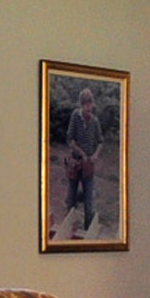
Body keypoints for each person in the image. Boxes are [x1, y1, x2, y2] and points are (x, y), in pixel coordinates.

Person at [64, 87, 103, 234]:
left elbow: (100, 141)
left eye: (90, 104)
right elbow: (70, 139)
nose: (88, 107)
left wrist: (95, 155)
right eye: (85, 104)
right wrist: (81, 153)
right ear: (82, 105)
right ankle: (68, 229)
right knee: (71, 199)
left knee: (88, 203)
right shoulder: (75, 116)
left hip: (88, 166)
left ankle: (87, 233)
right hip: (75, 163)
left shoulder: (95, 122)